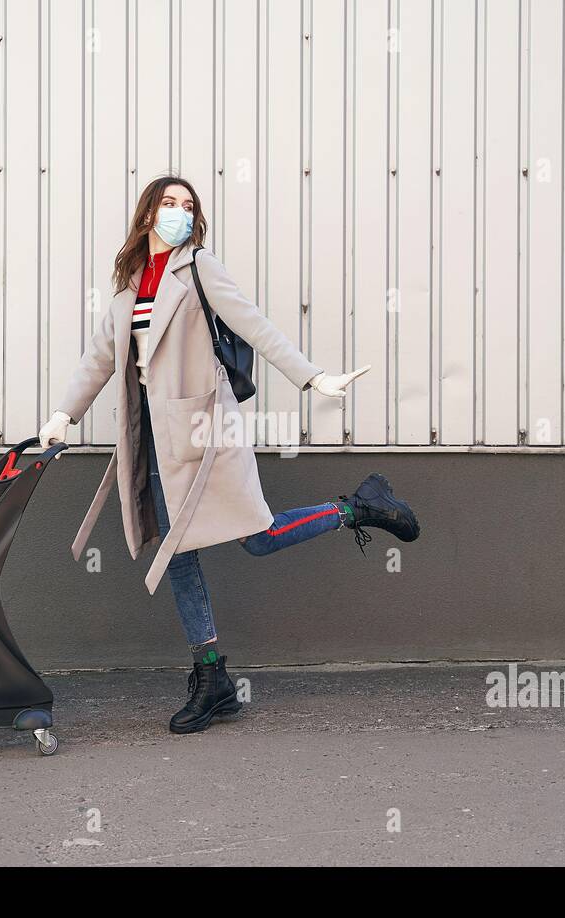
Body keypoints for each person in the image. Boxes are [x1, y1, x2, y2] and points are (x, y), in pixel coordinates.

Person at [39, 175, 421, 734]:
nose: (179, 214)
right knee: (177, 554)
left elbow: (253, 324)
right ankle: (212, 677)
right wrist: (62, 416)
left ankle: (358, 508)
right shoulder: (127, 288)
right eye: (169, 204)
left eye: (188, 207)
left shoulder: (198, 268)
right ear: (148, 214)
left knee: (257, 537)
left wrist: (312, 378)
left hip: (207, 429)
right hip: (157, 439)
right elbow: (100, 358)